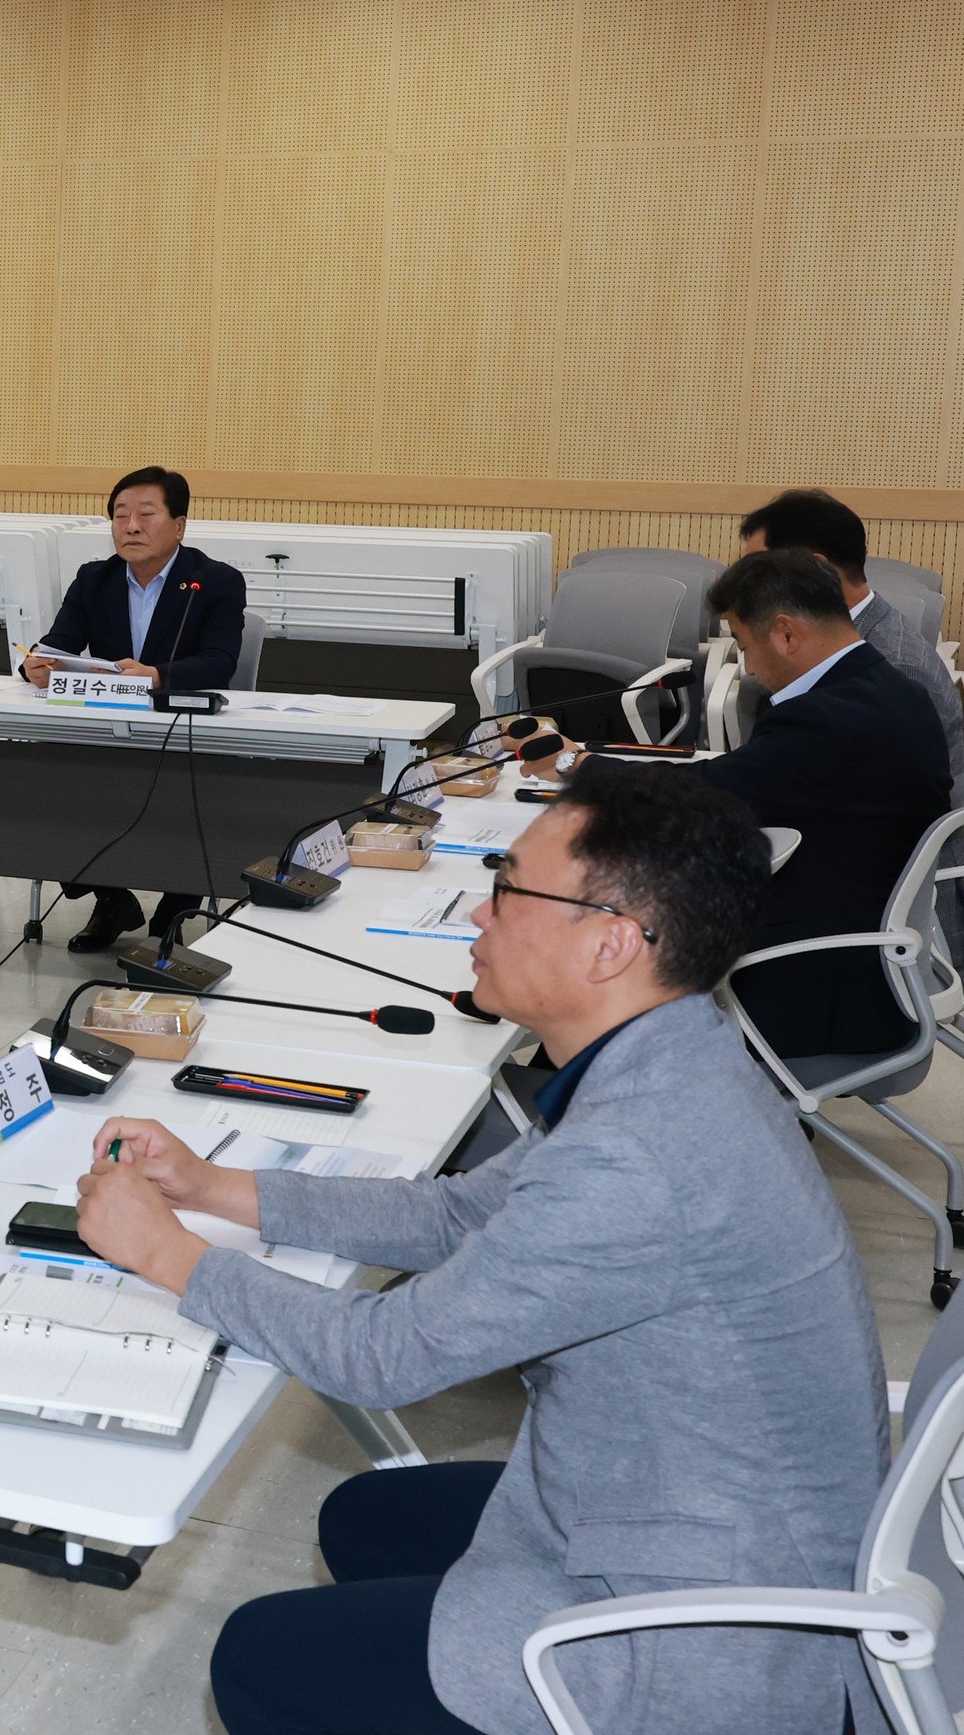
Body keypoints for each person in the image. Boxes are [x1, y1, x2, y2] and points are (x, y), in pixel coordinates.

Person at [74, 761, 882, 1735]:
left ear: (612, 944)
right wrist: (210, 1188)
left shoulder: (640, 1152)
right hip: (664, 1499)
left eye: (506, 891)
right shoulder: (671, 1052)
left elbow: (384, 1356)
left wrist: (166, 1253)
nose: (477, 920)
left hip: (707, 1629)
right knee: (362, 1515)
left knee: (259, 1657)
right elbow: (460, 1217)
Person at [697, 547, 951, 1059]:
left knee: (633, 961)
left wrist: (575, 770)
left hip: (818, 984)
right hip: (876, 958)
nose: (747, 665)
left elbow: (703, 795)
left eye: (745, 646)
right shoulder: (892, 689)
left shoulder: (827, 719)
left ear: (787, 633)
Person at [21, 465, 249, 953]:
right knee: (45, 786)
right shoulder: (94, 579)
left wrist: (158, 675)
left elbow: (219, 663)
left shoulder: (215, 582)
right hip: (107, 733)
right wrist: (36, 667)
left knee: (183, 797)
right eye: (120, 515)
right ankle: (112, 897)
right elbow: (58, 645)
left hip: (185, 734)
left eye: (147, 514)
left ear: (179, 525)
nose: (131, 526)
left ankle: (177, 900)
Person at [739, 488, 964, 947]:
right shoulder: (852, 640)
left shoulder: (891, 664)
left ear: (817, 569)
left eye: (759, 570)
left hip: (888, 917)